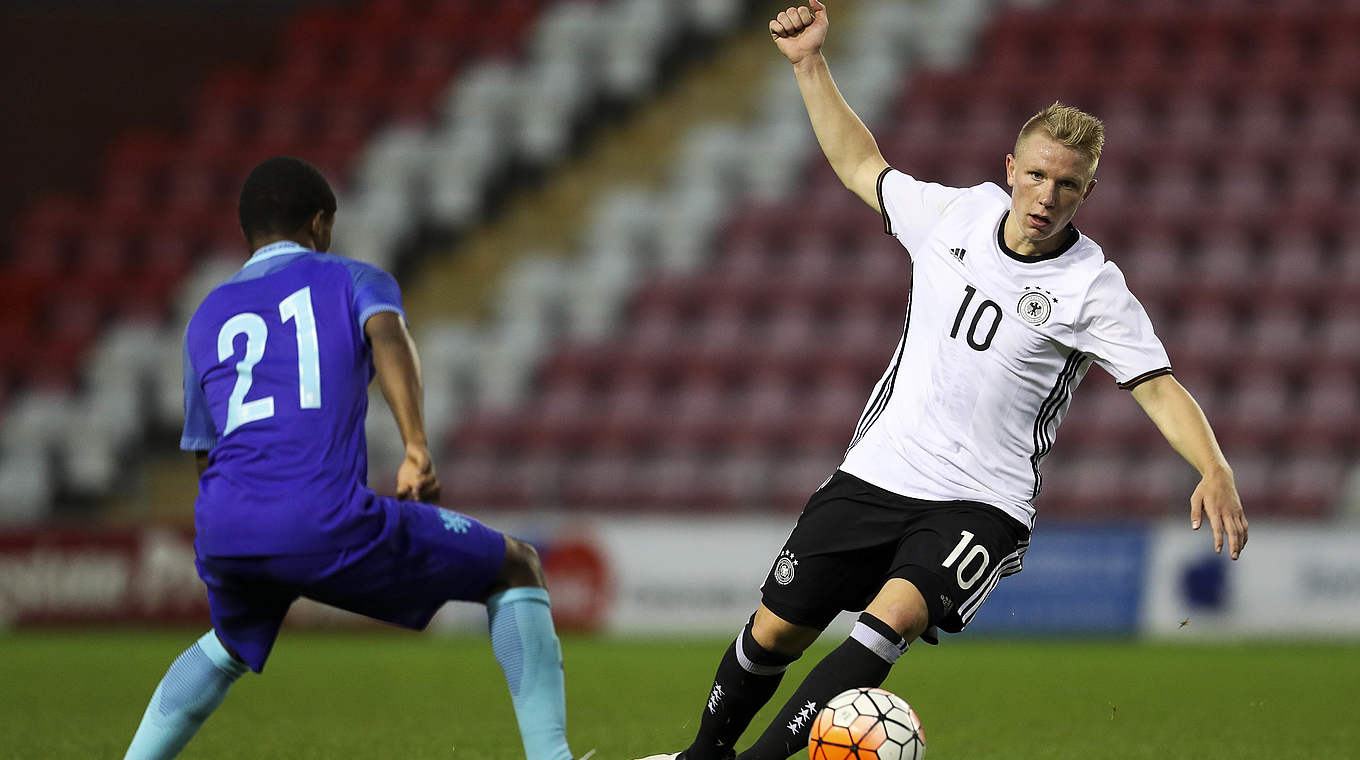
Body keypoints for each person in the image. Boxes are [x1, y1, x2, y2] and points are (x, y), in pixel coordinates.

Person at [640, 3, 1249, 759]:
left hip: (982, 499)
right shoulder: (955, 216)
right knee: (774, 628)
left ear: (1087, 193)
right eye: (1036, 175)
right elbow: (862, 167)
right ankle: (702, 755)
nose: (1046, 197)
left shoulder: (1094, 288)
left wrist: (1213, 466)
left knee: (886, 621)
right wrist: (808, 65)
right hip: (880, 469)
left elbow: (1159, 387)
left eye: (1067, 185)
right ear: (1010, 170)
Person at [124, 156, 581, 760]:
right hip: (320, 517)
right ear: (319, 224)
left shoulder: (206, 316)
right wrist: (416, 447)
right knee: (516, 564)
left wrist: (230, 526)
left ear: (248, 233)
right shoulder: (352, 279)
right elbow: (387, 336)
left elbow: (205, 452)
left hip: (224, 527)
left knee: (229, 644)